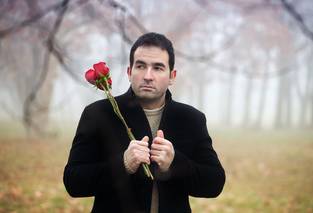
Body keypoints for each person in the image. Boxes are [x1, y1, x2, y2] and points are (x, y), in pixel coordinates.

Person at [63, 32, 225, 213]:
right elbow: (73, 182)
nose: (148, 76)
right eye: (141, 66)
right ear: (129, 72)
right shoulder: (99, 114)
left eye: (158, 68)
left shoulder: (191, 119)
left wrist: (175, 163)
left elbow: (214, 183)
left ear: (172, 76)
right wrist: (123, 165)